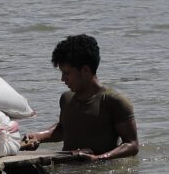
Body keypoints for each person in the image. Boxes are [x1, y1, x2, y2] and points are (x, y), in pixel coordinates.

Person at [19, 33, 139, 161]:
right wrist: (38, 137)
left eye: (67, 73)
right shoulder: (66, 99)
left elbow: (132, 145)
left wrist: (98, 158)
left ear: (85, 70)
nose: (62, 79)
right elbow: (64, 128)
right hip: (68, 169)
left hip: (99, 173)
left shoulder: (114, 101)